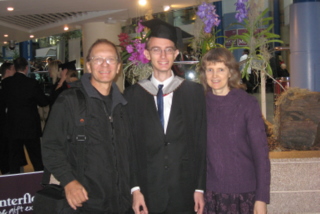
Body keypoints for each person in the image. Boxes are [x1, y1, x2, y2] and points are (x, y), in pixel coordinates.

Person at [42, 39, 140, 213]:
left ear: (118, 67)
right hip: (86, 203)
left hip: (122, 204)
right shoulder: (69, 101)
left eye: (110, 59)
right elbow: (51, 146)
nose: (104, 64)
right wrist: (69, 181)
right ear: (88, 65)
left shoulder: (124, 106)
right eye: (98, 59)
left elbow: (131, 153)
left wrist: (135, 190)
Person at [125, 18, 206, 214]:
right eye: (156, 49)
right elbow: (128, 146)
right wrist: (135, 189)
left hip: (185, 190)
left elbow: (201, 141)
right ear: (146, 54)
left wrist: (199, 187)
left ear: (176, 53)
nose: (163, 55)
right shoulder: (133, 95)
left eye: (168, 49)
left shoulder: (193, 92)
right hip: (148, 190)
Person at [199, 48, 270, 214]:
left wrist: (261, 198)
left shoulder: (247, 104)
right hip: (210, 195)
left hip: (244, 194)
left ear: (230, 72)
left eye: (221, 69)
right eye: (210, 69)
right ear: (204, 74)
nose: (215, 76)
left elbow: (261, 155)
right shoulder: (200, 105)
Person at [1, 57, 49, 173]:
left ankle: (14, 185)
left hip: (13, 126)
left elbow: (3, 102)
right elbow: (42, 102)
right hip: (30, 126)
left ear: (15, 68)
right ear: (26, 68)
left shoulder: (6, 83)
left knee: (14, 160)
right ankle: (40, 183)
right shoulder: (32, 83)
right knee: (36, 158)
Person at [0, 62, 16, 174]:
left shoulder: (9, 85)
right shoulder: (4, 86)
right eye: (13, 69)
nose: (15, 71)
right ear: (8, 71)